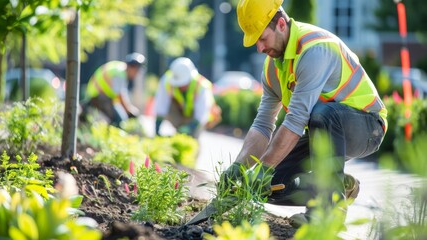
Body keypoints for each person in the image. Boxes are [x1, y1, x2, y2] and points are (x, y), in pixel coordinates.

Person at [221, 0, 388, 225]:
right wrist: (240, 166)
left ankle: (326, 214)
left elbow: (297, 119)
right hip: (324, 128)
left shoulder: (315, 49)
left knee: (323, 114)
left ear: (281, 24)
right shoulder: (272, 68)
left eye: (262, 38)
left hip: (367, 127)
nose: (259, 48)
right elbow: (263, 124)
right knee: (269, 184)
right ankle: (339, 186)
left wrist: (262, 167)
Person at [154, 57, 219, 139]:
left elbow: (201, 115)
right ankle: (180, 132)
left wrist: (189, 128)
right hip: (180, 113)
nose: (181, 86)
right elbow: (161, 105)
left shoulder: (201, 86)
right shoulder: (167, 81)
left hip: (197, 118)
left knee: (193, 139)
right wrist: (156, 130)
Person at [80, 52, 146, 127]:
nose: (136, 74)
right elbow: (120, 96)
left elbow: (121, 94)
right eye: (137, 71)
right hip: (99, 96)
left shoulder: (119, 69)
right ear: (133, 68)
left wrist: (129, 109)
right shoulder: (119, 73)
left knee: (116, 118)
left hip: (98, 96)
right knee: (119, 120)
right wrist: (129, 111)